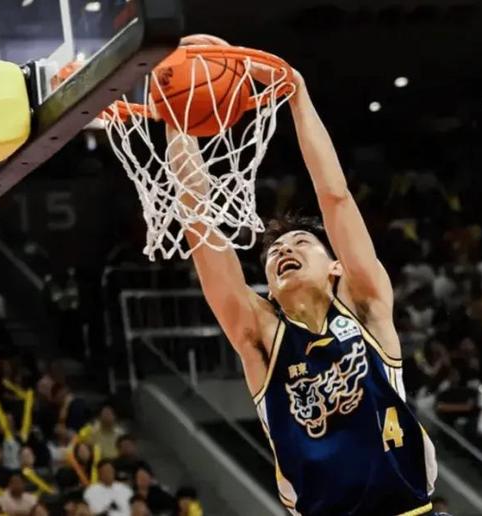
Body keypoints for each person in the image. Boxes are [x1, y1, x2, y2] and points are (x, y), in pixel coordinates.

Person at [166, 34, 438, 515]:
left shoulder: (366, 305)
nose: (284, 250)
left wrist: (297, 93)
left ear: (336, 267)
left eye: (301, 244)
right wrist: (177, 119)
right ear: (269, 287)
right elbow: (201, 230)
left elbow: (335, 197)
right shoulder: (260, 335)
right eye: (274, 253)